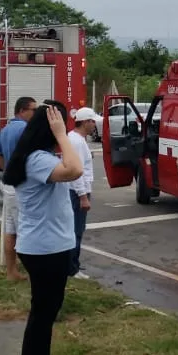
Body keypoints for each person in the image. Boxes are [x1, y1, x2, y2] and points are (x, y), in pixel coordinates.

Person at [2, 99, 84, 355]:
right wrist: (63, 134)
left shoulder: (39, 157)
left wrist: (60, 138)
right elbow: (74, 169)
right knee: (41, 320)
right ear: (49, 128)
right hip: (45, 250)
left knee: (44, 318)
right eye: (59, 124)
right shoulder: (38, 159)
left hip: (48, 248)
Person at [0, 96, 37, 282]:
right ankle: (34, 271)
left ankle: (12, 271)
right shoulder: (26, 130)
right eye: (33, 109)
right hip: (19, 186)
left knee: (11, 229)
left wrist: (7, 170)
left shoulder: (7, 128)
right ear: (22, 110)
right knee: (25, 229)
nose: (35, 113)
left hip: (8, 183)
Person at [66, 107, 98, 280]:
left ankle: (71, 265)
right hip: (77, 192)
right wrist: (83, 196)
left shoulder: (75, 139)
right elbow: (77, 171)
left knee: (74, 229)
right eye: (92, 121)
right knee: (76, 230)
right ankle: (72, 268)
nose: (94, 125)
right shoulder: (77, 142)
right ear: (85, 122)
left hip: (74, 191)